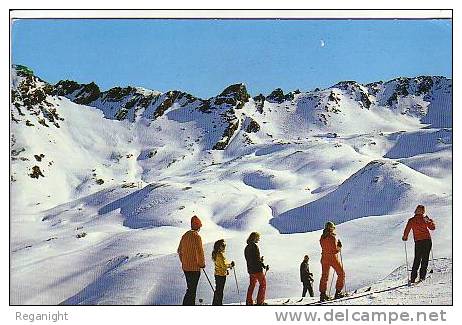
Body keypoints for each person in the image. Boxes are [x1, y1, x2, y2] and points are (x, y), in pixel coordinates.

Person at [402, 205, 436, 283]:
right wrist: (430, 221)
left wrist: (405, 237)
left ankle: (413, 278)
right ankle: (422, 277)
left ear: (416, 210)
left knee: (417, 259)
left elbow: (407, 230)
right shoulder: (425, 219)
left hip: (418, 241)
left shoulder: (412, 220)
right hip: (427, 240)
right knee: (425, 258)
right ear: (423, 211)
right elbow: (432, 228)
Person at [177, 215, 205, 305]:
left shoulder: (185, 236)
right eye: (199, 226)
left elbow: (179, 251)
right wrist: (202, 264)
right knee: (192, 291)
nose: (200, 228)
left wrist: (184, 262)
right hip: (195, 269)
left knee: (190, 289)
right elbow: (200, 252)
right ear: (197, 226)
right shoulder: (197, 237)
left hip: (186, 268)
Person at [319, 221, 345, 302]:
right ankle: (338, 292)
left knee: (324, 276)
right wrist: (339, 247)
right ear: (331, 228)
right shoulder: (332, 237)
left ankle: (323, 295)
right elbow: (334, 250)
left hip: (324, 258)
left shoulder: (322, 237)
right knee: (341, 273)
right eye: (333, 228)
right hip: (332, 258)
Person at [244, 232, 269, 305]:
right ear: (254, 237)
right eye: (258, 237)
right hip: (257, 270)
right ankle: (260, 302)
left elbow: (250, 259)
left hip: (250, 270)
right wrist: (263, 265)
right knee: (263, 284)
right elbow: (256, 260)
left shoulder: (247, 247)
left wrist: (259, 261)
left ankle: (249, 302)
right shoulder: (255, 246)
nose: (259, 239)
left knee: (252, 285)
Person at [211, 239, 235, 305]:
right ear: (219, 246)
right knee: (220, 291)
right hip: (221, 275)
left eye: (225, 245)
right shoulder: (220, 255)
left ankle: (216, 303)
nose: (224, 247)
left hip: (218, 274)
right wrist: (230, 265)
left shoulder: (216, 254)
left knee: (218, 290)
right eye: (223, 245)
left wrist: (227, 268)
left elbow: (221, 265)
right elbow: (224, 266)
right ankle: (218, 304)